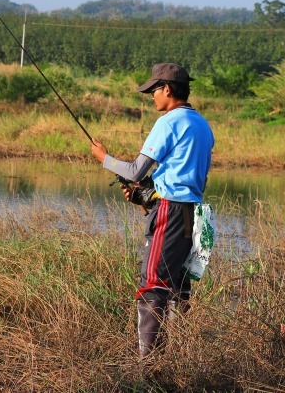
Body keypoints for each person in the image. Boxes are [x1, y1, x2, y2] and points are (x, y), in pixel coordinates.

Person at [90, 62, 214, 358]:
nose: (152, 97)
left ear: (167, 89)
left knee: (152, 284)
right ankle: (177, 360)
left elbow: (134, 170)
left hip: (170, 213)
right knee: (178, 289)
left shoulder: (169, 122)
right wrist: (146, 197)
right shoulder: (203, 125)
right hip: (191, 216)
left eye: (154, 91)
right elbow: (191, 180)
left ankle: (149, 367)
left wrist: (104, 158)